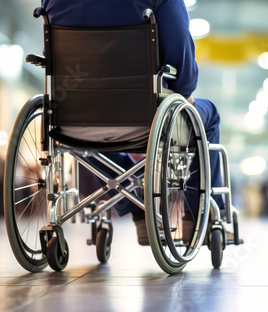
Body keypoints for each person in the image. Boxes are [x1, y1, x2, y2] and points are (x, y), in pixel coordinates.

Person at [42, 0, 223, 244]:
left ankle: (134, 197)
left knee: (87, 134)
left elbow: (52, 53)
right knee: (208, 114)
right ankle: (198, 214)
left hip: (75, 117)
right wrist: (184, 91)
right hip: (147, 115)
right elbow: (179, 51)